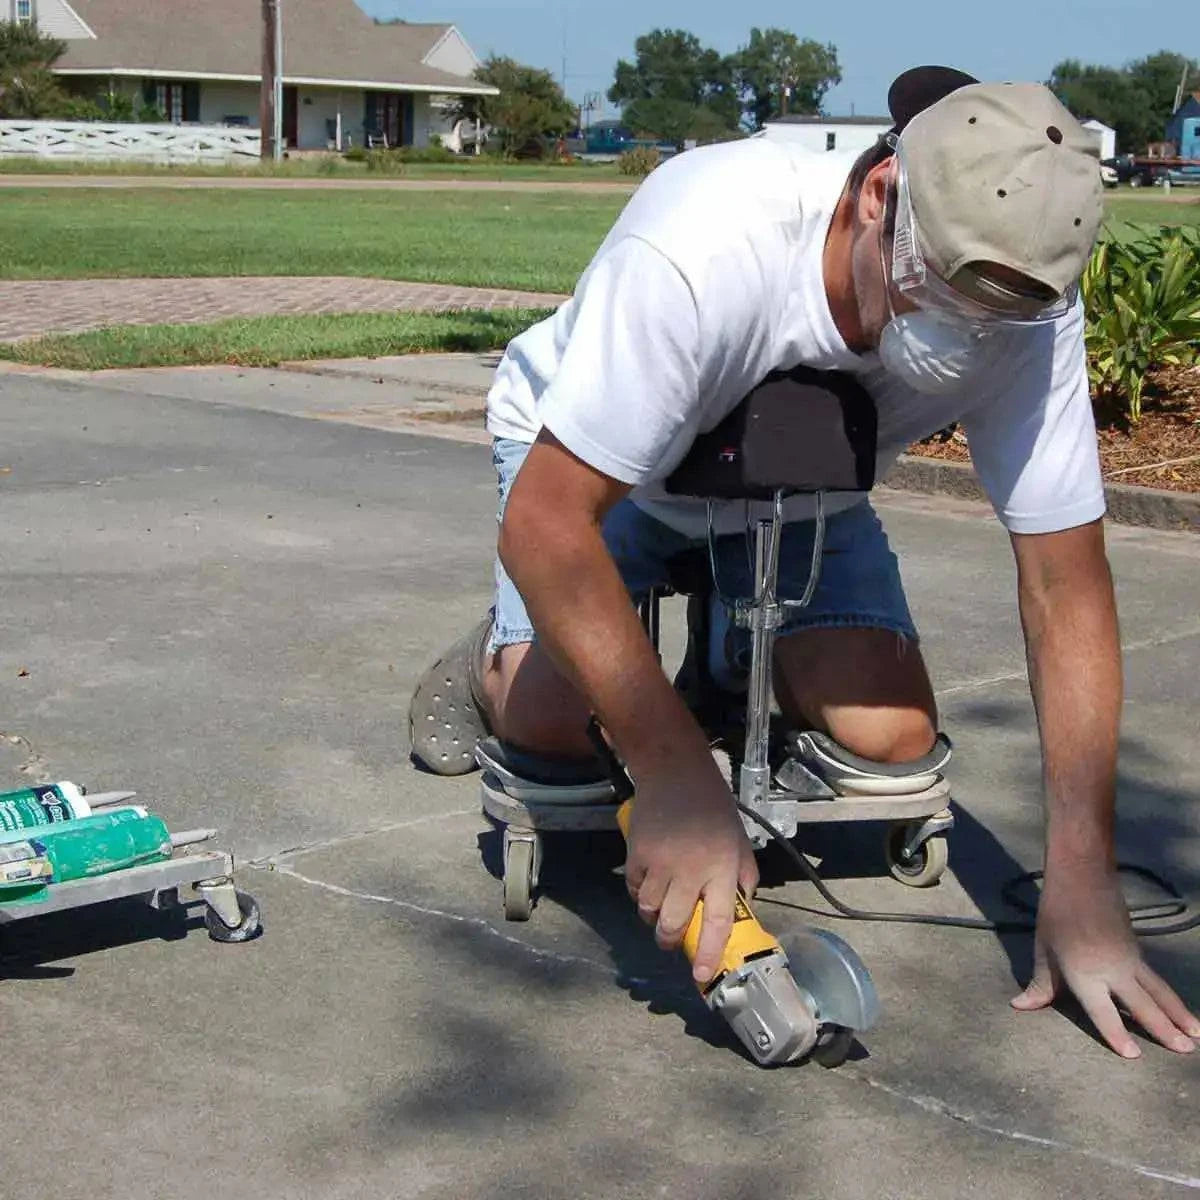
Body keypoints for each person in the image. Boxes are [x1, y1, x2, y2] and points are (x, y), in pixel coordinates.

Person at [410, 67, 1198, 1058]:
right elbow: (547, 526)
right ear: (880, 197)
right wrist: (672, 778)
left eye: (997, 317)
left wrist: (1081, 876)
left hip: (802, 490)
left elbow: (1064, 580)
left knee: (891, 734)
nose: (968, 342)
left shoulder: (1029, 299)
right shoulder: (707, 237)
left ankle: (719, 659)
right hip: (607, 472)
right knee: (554, 724)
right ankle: (505, 657)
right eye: (946, 297)